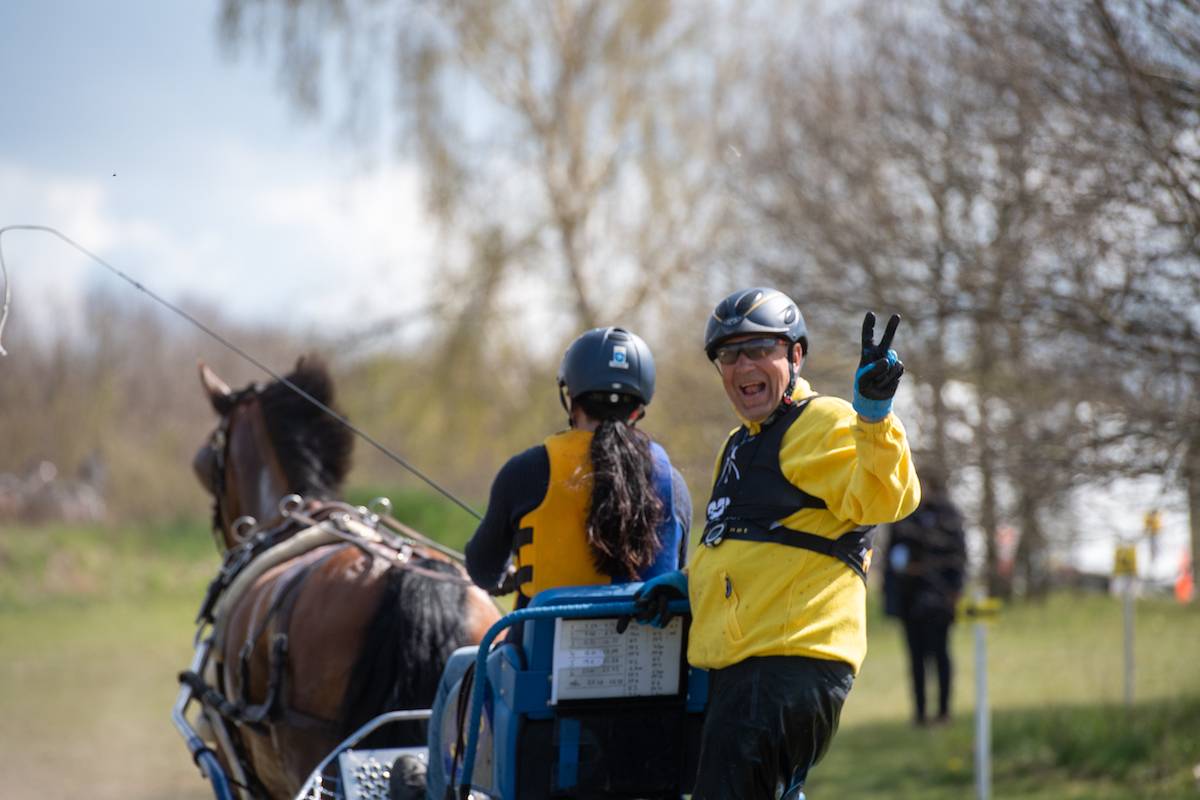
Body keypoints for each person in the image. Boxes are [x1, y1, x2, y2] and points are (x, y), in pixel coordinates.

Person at [632, 287, 920, 799]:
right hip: (746, 669)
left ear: (795, 356)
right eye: (729, 354)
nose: (743, 365)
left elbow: (884, 499)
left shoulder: (821, 421)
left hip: (784, 664)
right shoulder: (739, 442)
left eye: (760, 348)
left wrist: (874, 418)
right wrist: (689, 584)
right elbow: (747, 544)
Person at [422, 325, 692, 800]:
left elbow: (482, 569)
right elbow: (674, 573)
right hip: (651, 701)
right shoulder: (673, 482)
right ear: (639, 406)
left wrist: (510, 576)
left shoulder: (527, 471)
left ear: (571, 397)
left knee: (458, 670)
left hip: (542, 691)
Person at [883, 470, 966, 726]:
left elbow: (960, 558)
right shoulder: (901, 515)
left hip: (940, 602)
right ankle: (919, 715)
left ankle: (943, 712)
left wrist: (955, 592)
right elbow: (891, 562)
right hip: (911, 601)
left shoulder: (949, 517)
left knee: (941, 657)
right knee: (916, 660)